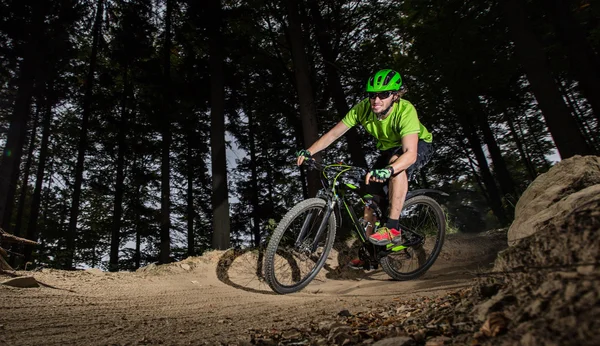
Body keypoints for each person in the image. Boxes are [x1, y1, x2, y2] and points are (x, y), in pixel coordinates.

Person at [296, 69, 433, 269]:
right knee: (370, 203)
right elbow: (334, 134)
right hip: (388, 151)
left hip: (418, 145)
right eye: (372, 95)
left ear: (395, 96)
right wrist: (310, 151)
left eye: (383, 94)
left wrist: (388, 170)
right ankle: (372, 252)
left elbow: (410, 154)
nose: (376, 100)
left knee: (396, 165)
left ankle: (393, 228)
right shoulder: (362, 109)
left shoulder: (406, 110)